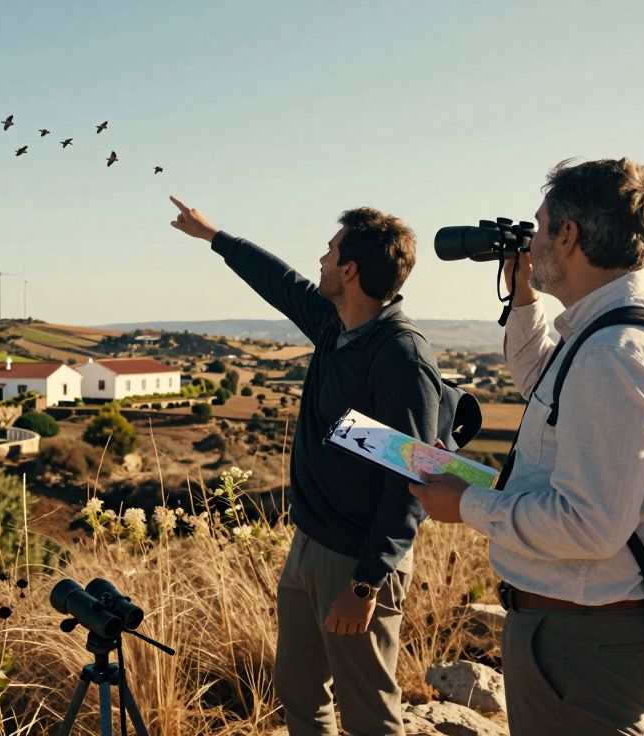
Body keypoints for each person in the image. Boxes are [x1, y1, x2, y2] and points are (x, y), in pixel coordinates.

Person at [409, 158, 644, 735]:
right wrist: (522, 297)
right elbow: (544, 380)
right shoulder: (613, 327)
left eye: (539, 228)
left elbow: (590, 525)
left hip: (584, 639)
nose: (530, 240)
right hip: (578, 628)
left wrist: (464, 505)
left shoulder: (616, 354)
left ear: (569, 235)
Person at [170, 195, 441, 735]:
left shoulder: (400, 357)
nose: (319, 260)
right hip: (309, 546)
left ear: (351, 269)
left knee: (367, 708)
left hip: (358, 561)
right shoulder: (334, 326)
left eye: (329, 250)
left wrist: (365, 585)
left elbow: (411, 480)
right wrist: (213, 237)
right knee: (298, 689)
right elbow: (281, 282)